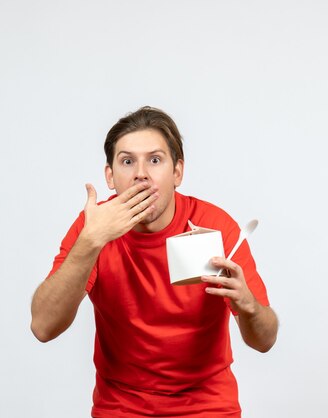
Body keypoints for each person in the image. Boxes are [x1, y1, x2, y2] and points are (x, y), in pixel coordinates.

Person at [30, 106, 278, 417]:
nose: (141, 173)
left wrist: (249, 306)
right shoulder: (93, 227)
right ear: (110, 175)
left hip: (208, 405)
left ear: (177, 172)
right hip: (120, 407)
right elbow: (43, 326)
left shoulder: (216, 225)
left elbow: (265, 340)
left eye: (155, 160)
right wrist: (90, 242)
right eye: (127, 161)